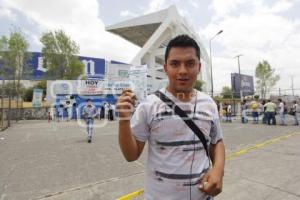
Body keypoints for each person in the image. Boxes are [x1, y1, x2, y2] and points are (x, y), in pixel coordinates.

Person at [117, 35, 225, 200]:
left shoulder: (209, 103)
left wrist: (218, 169)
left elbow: (216, 141)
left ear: (199, 67)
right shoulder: (148, 105)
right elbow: (131, 155)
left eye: (190, 63)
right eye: (175, 64)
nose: (183, 70)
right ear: (166, 67)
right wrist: (124, 120)